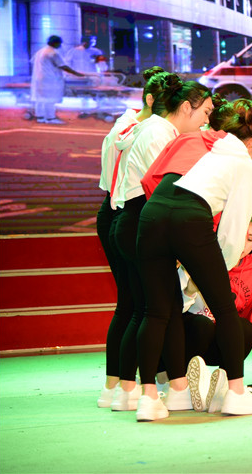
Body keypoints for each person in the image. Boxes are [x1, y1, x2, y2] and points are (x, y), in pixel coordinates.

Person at [134, 84, 252, 421]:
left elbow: (151, 178)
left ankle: (149, 399)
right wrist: (215, 268)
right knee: (224, 308)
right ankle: (236, 393)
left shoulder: (201, 142)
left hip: (151, 215)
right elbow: (233, 232)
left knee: (155, 312)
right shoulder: (243, 163)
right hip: (190, 218)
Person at [108, 75, 212, 412]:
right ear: (186, 108)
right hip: (141, 221)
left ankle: (133, 390)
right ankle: (144, 391)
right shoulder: (159, 133)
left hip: (140, 222)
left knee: (151, 309)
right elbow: (160, 188)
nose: (207, 122)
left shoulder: (158, 130)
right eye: (205, 113)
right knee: (156, 311)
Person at [95, 66, 166, 409]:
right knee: (135, 304)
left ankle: (129, 383)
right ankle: (118, 387)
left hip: (123, 212)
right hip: (122, 212)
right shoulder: (137, 130)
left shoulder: (137, 126)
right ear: (152, 100)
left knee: (139, 303)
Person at [181, 216, 252, 387]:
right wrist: (189, 291)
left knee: (244, 328)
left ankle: (224, 382)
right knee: (201, 325)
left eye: (250, 239)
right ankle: (179, 380)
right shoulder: (201, 258)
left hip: (226, 342)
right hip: (192, 338)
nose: (242, 244)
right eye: (238, 235)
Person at [30, 35, 85, 124]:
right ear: (55, 43)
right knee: (50, 99)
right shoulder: (53, 53)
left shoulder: (40, 51)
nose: (60, 45)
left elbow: (33, 62)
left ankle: (40, 117)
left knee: (40, 99)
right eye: (60, 43)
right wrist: (76, 73)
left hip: (38, 78)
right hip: (50, 79)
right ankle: (50, 118)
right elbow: (62, 66)